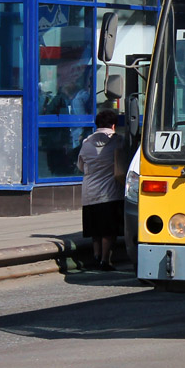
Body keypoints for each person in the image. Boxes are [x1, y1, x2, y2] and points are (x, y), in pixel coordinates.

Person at [77, 109, 127, 270]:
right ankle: (105, 260)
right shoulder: (118, 141)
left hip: (89, 192)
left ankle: (96, 255)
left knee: (95, 230)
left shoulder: (86, 142)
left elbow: (80, 166)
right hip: (110, 193)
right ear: (113, 125)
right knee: (108, 230)